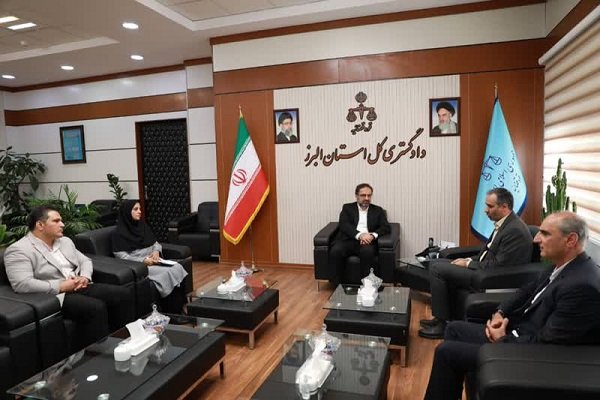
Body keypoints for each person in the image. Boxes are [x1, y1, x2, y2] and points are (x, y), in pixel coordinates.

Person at [423, 211, 600, 400]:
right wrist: (500, 312)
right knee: (454, 329)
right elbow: (524, 292)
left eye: (545, 234)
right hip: (516, 333)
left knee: (446, 352)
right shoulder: (561, 265)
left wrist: (503, 340)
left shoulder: (582, 286)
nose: (536, 239)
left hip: (527, 353)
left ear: (570, 240)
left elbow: (547, 343)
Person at [4, 205, 133, 348]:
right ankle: (100, 353)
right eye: (56, 221)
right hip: (55, 295)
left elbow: (85, 261)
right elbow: (22, 284)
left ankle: (126, 341)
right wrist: (61, 286)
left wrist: (84, 277)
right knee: (95, 307)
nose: (62, 224)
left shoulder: (65, 241)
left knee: (122, 294)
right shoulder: (19, 250)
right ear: (40, 225)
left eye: (61, 220)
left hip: (79, 285)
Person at [419, 188, 532, 339]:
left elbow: (498, 266)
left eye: (490, 206)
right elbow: (487, 253)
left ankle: (441, 324)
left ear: (504, 207)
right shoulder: (505, 223)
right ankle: (443, 317)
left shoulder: (514, 230)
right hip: (482, 269)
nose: (485, 210)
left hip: (489, 278)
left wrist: (468, 265)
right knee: (436, 262)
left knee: (437, 269)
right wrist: (468, 260)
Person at [112, 200, 188, 316]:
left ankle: (180, 307)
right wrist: (143, 261)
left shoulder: (142, 226)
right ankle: (172, 312)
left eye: (140, 209)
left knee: (177, 267)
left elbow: (155, 243)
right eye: (135, 209)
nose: (139, 212)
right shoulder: (118, 233)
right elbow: (121, 256)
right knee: (166, 274)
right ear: (127, 212)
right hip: (140, 266)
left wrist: (156, 251)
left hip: (154, 260)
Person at [329, 183, 391, 286]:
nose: (366, 198)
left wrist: (372, 236)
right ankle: (337, 286)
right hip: (349, 240)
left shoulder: (378, 210)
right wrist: (360, 235)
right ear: (356, 196)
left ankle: (367, 285)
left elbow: (385, 227)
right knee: (336, 251)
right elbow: (344, 225)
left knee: (367, 252)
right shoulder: (347, 208)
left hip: (368, 242)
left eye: (369, 195)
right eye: (363, 195)